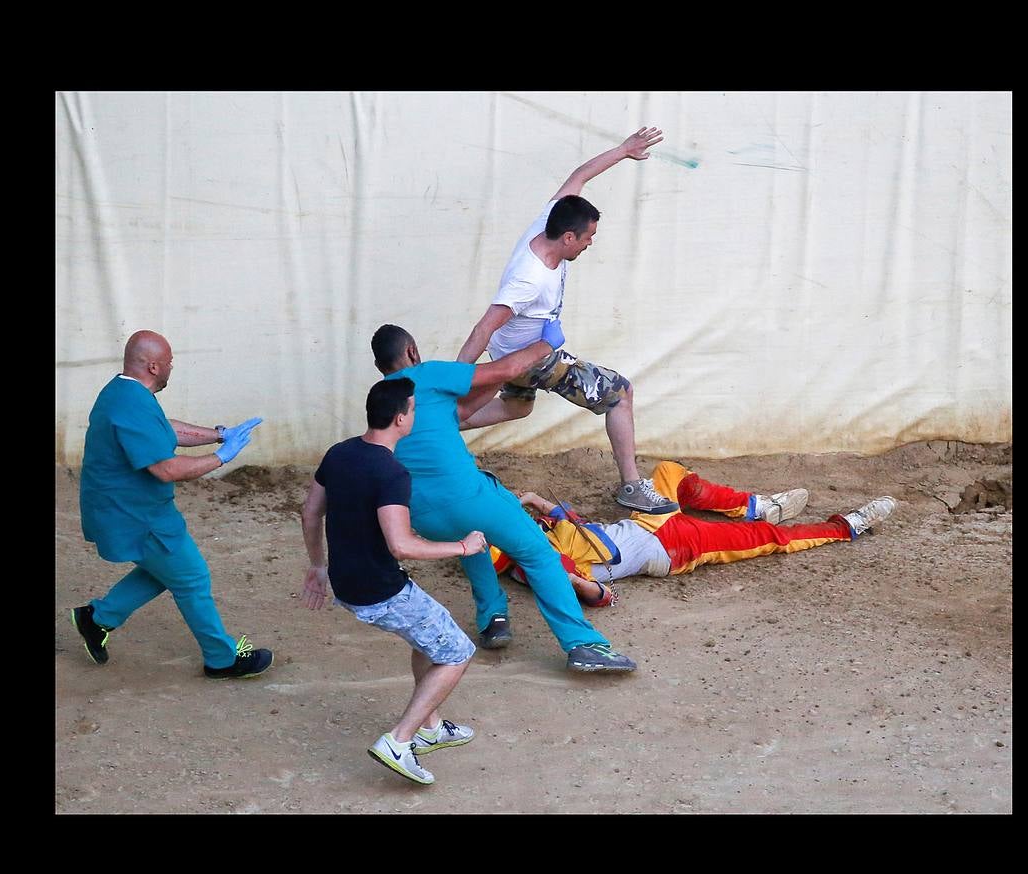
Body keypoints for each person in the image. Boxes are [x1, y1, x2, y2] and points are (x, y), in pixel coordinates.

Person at [372, 323, 636, 673]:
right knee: (539, 554)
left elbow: (461, 414)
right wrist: (545, 344)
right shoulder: (428, 373)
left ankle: (493, 618)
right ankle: (582, 644)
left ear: (380, 367)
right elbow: (507, 369)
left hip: (418, 513)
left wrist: (504, 385)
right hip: (468, 496)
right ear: (412, 353)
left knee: (472, 542)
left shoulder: (381, 399)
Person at [456, 126, 678, 515]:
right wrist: (455, 379)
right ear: (569, 238)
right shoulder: (530, 278)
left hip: (515, 353)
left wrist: (624, 151)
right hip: (532, 358)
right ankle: (631, 486)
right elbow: (484, 327)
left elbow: (579, 177)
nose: (592, 243)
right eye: (589, 237)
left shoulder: (550, 220)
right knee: (619, 394)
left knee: (517, 407)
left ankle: (440, 428)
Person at [300, 379, 485, 786]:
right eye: (414, 410)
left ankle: (432, 728)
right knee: (456, 652)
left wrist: (318, 566)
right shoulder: (392, 472)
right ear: (401, 419)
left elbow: (311, 513)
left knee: (428, 634)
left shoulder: (339, 453)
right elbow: (400, 545)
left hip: (347, 584)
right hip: (380, 591)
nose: (415, 416)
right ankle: (399, 741)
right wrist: (463, 547)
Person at [71, 330, 273, 679]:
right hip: (136, 515)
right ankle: (221, 659)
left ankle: (97, 618)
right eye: (169, 363)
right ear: (153, 365)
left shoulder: (124, 392)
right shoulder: (130, 403)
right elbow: (167, 469)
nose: (171, 368)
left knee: (168, 571)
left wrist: (221, 433)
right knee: (192, 577)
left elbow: (165, 429)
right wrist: (221, 457)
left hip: (131, 509)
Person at [496, 460, 897, 606]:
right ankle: (847, 527)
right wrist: (571, 581)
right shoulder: (539, 561)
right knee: (766, 541)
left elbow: (573, 523)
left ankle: (757, 506)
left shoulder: (538, 534)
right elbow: (596, 594)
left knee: (669, 472)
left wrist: (533, 499)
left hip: (643, 522)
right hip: (669, 547)